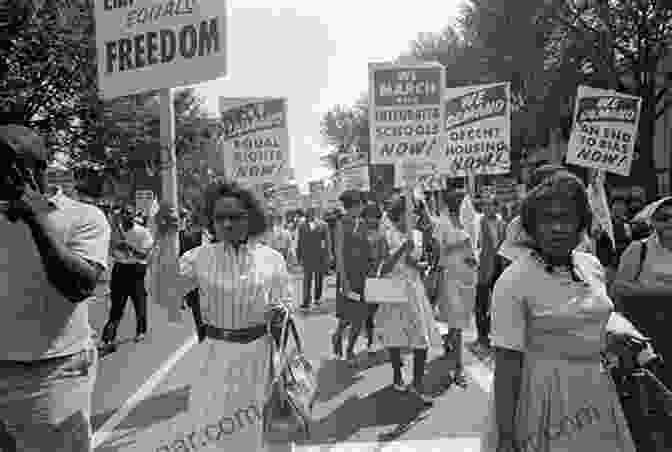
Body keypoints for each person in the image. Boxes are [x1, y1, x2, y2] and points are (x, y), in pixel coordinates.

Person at [483, 171, 636, 452]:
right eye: (547, 220)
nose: (558, 228)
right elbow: (506, 366)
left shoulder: (591, 266)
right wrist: (505, 437)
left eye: (566, 218)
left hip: (597, 393)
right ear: (532, 226)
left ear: (580, 223)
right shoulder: (513, 281)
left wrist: (616, 337)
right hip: (544, 402)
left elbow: (596, 320)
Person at [153, 179, 295, 452]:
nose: (227, 224)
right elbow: (166, 296)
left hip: (260, 357)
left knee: (262, 432)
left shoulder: (271, 258)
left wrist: (281, 313)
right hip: (216, 356)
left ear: (251, 218)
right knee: (216, 431)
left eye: (235, 217)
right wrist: (165, 238)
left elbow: (285, 302)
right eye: (220, 217)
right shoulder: (198, 257)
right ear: (211, 221)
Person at [0, 124, 110, 451]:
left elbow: (78, 286)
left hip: (53, 374)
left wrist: (36, 218)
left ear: (33, 170)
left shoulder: (83, 217)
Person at [375, 196, 442, 405]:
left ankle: (418, 383)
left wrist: (421, 265)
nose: (415, 215)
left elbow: (413, 263)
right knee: (394, 334)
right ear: (400, 213)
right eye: (411, 211)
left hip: (414, 288)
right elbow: (383, 269)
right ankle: (397, 374)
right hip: (392, 288)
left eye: (416, 212)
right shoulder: (386, 234)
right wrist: (403, 249)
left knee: (421, 337)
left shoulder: (417, 235)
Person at [611, 196, 672, 389]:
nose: (670, 222)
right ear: (653, 222)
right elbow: (618, 288)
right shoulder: (639, 249)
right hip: (650, 330)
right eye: (664, 217)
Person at [432, 192, 478, 387]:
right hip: (450, 277)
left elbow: (472, 249)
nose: (461, 204)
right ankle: (458, 368)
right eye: (458, 201)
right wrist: (459, 245)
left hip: (467, 276)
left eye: (462, 201)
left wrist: (472, 257)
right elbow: (437, 251)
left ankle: (448, 341)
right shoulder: (442, 224)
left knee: (459, 320)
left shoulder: (469, 221)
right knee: (458, 321)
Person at [101, 205, 154, 349]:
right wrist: (118, 249)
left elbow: (144, 255)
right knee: (117, 306)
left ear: (133, 215)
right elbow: (110, 251)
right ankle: (108, 338)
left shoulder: (142, 232)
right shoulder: (115, 232)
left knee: (139, 302)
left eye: (129, 214)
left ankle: (141, 330)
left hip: (136, 269)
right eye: (124, 214)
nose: (126, 217)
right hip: (120, 269)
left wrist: (129, 248)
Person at [332, 189, 370, 363]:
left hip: (362, 276)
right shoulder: (341, 224)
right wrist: (344, 281)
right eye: (360, 204)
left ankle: (350, 350)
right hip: (348, 277)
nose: (362, 207)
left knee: (360, 316)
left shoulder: (363, 223)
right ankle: (338, 334)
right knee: (347, 315)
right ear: (353, 206)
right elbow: (338, 254)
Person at [473, 195, 507, 352]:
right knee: (481, 303)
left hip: (499, 267)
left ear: (496, 207)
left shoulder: (501, 223)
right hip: (483, 267)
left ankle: (494, 332)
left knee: (498, 302)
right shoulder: (477, 223)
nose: (486, 208)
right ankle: (482, 336)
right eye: (484, 205)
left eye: (489, 205)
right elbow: (475, 244)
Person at [361, 202, 389, 352]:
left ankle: (382, 339)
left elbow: (385, 257)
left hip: (379, 276)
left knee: (381, 311)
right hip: (364, 277)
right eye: (368, 217)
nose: (372, 220)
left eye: (374, 217)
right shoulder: (360, 233)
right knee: (369, 313)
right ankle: (371, 340)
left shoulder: (381, 235)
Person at [296, 207, 332, 310]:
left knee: (319, 278)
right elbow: (300, 241)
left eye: (311, 212)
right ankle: (306, 301)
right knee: (307, 279)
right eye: (308, 212)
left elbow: (328, 241)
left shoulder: (323, 225)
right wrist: (299, 256)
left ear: (315, 214)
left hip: (320, 256)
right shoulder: (302, 226)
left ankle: (317, 297)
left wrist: (328, 255)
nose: (309, 214)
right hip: (307, 256)